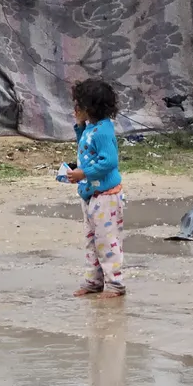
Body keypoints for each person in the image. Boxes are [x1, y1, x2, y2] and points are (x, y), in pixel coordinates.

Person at [68, 79, 125, 298]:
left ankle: (115, 284)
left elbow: (109, 161)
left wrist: (84, 173)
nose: (75, 109)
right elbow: (84, 148)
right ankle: (93, 281)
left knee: (107, 240)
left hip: (106, 196)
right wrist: (80, 127)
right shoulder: (91, 128)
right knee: (91, 240)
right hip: (91, 194)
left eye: (78, 105)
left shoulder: (103, 131)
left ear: (89, 108)